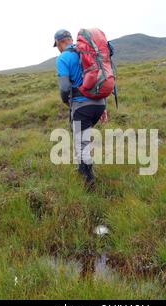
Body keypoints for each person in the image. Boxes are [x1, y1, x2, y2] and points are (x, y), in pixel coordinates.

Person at [54, 29, 108, 190]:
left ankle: (89, 184)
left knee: (81, 144)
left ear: (60, 42)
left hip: (81, 106)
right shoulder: (88, 52)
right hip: (99, 104)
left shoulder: (63, 58)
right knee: (83, 139)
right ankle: (81, 170)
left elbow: (64, 88)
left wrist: (67, 103)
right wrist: (103, 108)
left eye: (56, 45)